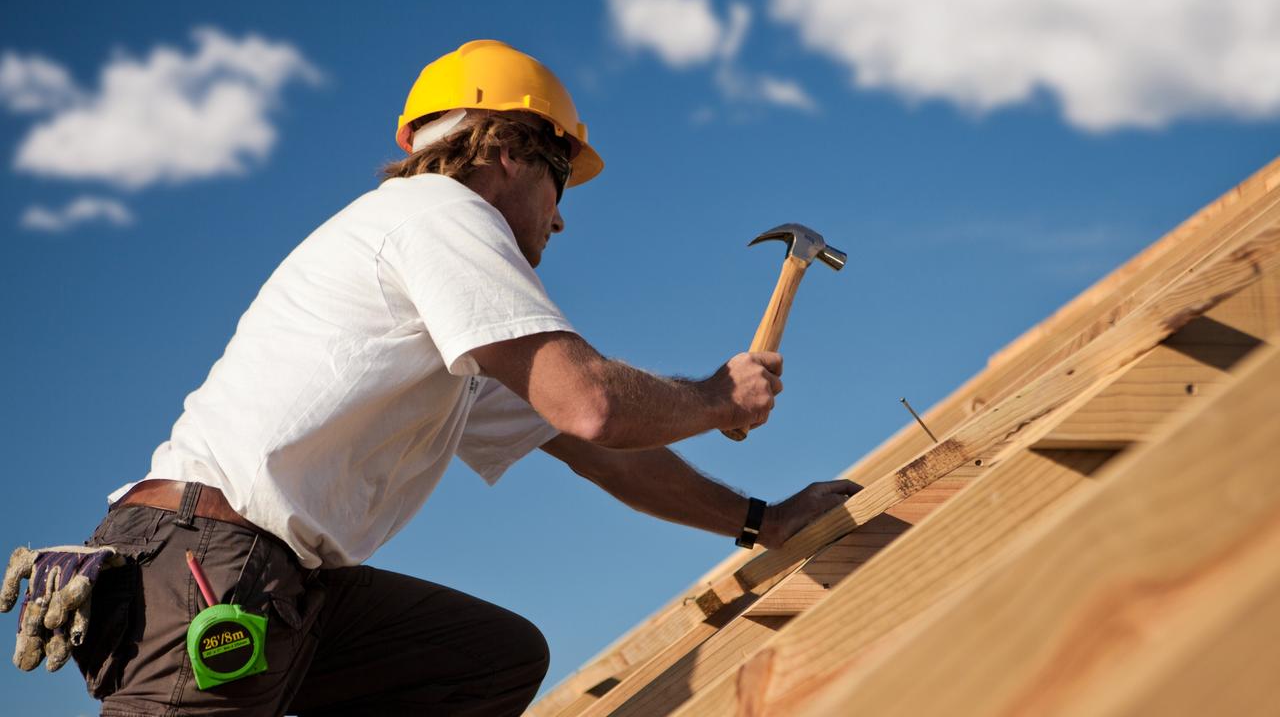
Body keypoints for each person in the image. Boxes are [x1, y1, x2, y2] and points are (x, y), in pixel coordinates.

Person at [1, 39, 858, 716]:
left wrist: (761, 520)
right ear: (511, 151)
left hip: (275, 580)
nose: (560, 217)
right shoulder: (443, 214)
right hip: (207, 573)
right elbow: (591, 404)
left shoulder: (449, 318)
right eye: (561, 179)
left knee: (486, 664)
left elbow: (598, 449)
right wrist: (715, 399)